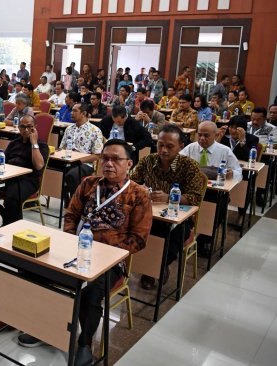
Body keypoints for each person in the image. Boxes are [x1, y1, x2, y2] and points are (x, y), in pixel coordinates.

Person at [18, 139, 152, 364]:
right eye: (105, 158)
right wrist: (69, 240)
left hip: (111, 261)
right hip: (74, 250)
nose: (108, 164)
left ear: (129, 164)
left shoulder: (138, 195)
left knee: (91, 291)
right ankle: (46, 328)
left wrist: (108, 256)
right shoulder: (89, 183)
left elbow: (138, 239)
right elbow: (71, 215)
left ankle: (84, 343)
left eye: (115, 159)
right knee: (35, 269)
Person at [130, 124, 202, 289]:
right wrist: (141, 190)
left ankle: (154, 268)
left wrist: (169, 197)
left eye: (170, 146)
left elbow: (196, 198)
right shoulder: (148, 161)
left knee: (166, 236)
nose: (163, 150)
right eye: (160, 145)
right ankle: (139, 264)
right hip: (151, 213)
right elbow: (130, 182)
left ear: (181, 146)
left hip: (180, 218)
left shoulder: (189, 166)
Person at [0, 115, 49, 225]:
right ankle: (6, 217)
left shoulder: (42, 145)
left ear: (35, 127)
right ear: (19, 128)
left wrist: (34, 143)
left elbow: (39, 165)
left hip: (28, 181)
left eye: (29, 127)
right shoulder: (14, 143)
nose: (26, 130)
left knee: (12, 198)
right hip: (9, 177)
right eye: (22, 127)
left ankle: (9, 228)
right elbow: (2, 162)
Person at [60, 103, 105, 196]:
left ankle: (76, 202)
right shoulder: (69, 129)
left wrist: (79, 161)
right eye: (71, 110)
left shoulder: (95, 130)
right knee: (50, 169)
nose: (71, 113)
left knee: (72, 175)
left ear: (83, 113)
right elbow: (62, 148)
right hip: (67, 160)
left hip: (85, 164)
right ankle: (66, 199)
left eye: (75, 111)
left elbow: (97, 155)